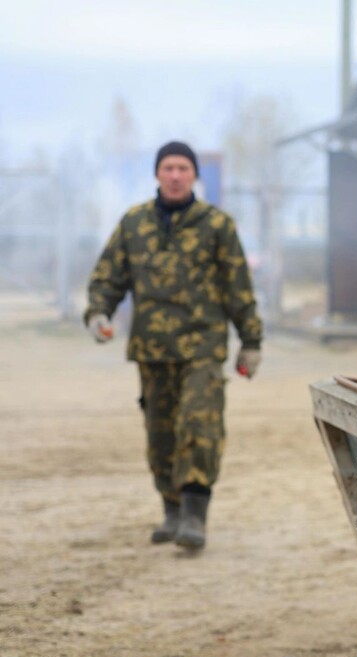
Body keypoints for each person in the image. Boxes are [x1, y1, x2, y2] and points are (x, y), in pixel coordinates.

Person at [84, 141, 263, 550]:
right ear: (157, 174)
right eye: (169, 167)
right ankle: (172, 509)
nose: (176, 175)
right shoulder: (134, 224)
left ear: (194, 174)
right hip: (152, 348)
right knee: (160, 433)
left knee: (200, 424)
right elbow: (109, 277)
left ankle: (195, 514)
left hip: (203, 345)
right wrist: (99, 314)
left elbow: (238, 289)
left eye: (183, 167)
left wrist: (250, 341)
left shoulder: (217, 225)